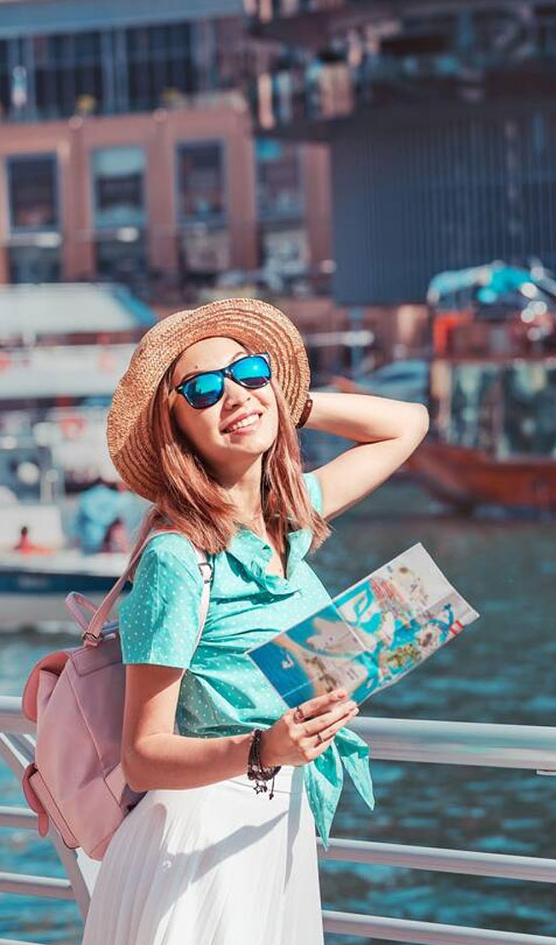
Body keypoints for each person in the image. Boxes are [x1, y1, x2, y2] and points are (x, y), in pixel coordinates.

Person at [81, 298, 428, 945]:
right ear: (175, 426)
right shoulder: (178, 558)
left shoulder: (289, 519)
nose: (233, 395)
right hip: (201, 847)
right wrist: (264, 749)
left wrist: (278, 396)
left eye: (247, 371)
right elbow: (143, 755)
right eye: (204, 389)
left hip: (273, 830)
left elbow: (408, 423)